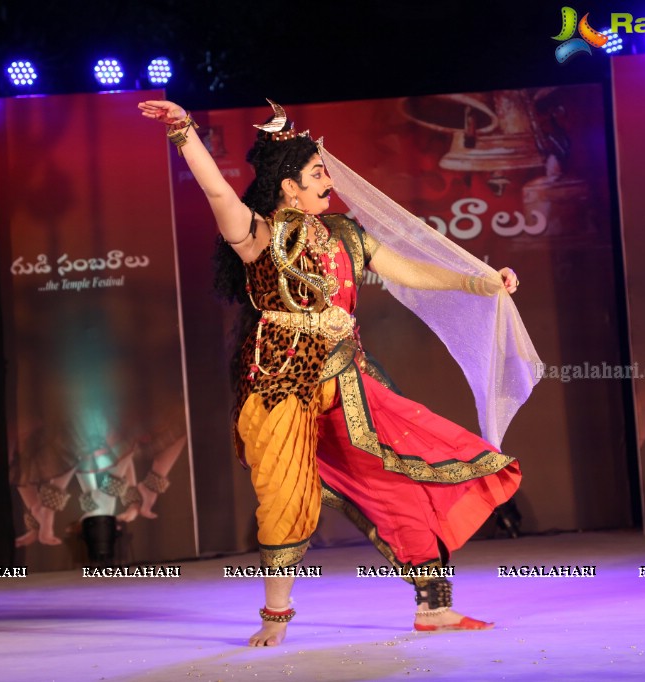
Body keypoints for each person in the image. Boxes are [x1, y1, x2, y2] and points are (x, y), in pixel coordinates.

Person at [139, 98, 526, 647]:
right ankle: (275, 616)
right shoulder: (257, 235)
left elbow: (407, 270)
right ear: (288, 187)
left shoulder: (346, 233)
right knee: (283, 494)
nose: (329, 180)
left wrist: (478, 282)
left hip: (348, 378)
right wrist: (183, 131)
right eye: (317, 173)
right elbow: (218, 192)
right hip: (281, 383)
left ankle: (434, 607)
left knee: (401, 472)